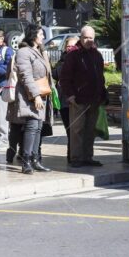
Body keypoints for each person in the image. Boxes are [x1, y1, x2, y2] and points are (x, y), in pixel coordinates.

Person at [7, 25, 52, 174]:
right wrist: (36, 95)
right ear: (34, 36)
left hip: (40, 94)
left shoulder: (38, 51)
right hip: (29, 96)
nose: (43, 37)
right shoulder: (23, 52)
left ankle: (35, 159)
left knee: (38, 127)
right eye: (41, 34)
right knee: (32, 127)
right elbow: (26, 76)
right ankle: (26, 160)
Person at [60, 25, 107, 168]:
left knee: (90, 130)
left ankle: (88, 157)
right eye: (85, 37)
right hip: (78, 100)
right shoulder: (73, 55)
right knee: (77, 130)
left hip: (94, 99)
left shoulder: (97, 55)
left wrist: (103, 95)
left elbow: (100, 77)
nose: (88, 40)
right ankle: (76, 158)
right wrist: (71, 95)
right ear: (80, 37)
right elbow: (65, 77)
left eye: (91, 38)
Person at [51, 35, 79, 163]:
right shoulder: (63, 60)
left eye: (73, 46)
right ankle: (71, 156)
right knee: (69, 129)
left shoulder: (81, 59)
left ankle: (78, 155)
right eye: (68, 46)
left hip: (78, 100)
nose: (70, 48)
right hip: (64, 100)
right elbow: (55, 74)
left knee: (77, 130)